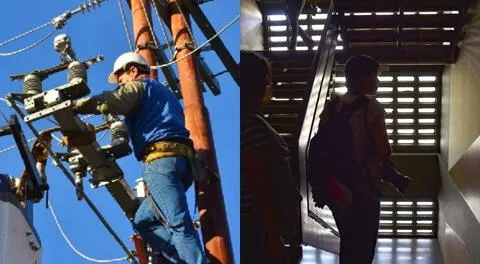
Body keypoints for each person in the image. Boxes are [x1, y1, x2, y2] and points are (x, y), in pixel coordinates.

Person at [72, 52, 206, 264]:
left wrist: (79, 105)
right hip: (182, 163)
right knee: (143, 221)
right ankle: (183, 259)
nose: (120, 84)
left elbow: (115, 102)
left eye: (121, 79)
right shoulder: (165, 94)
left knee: (178, 223)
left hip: (160, 161)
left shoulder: (139, 87)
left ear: (133, 70)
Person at [309, 55, 410, 263]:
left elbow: (321, 143)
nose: (378, 82)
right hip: (363, 188)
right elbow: (384, 151)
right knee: (363, 250)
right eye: (376, 76)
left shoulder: (332, 106)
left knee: (348, 243)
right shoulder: (372, 108)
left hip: (336, 188)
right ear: (364, 78)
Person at [240, 50, 302, 264]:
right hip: (259, 230)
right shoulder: (251, 125)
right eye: (266, 82)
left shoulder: (251, 122)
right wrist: (272, 234)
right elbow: (259, 182)